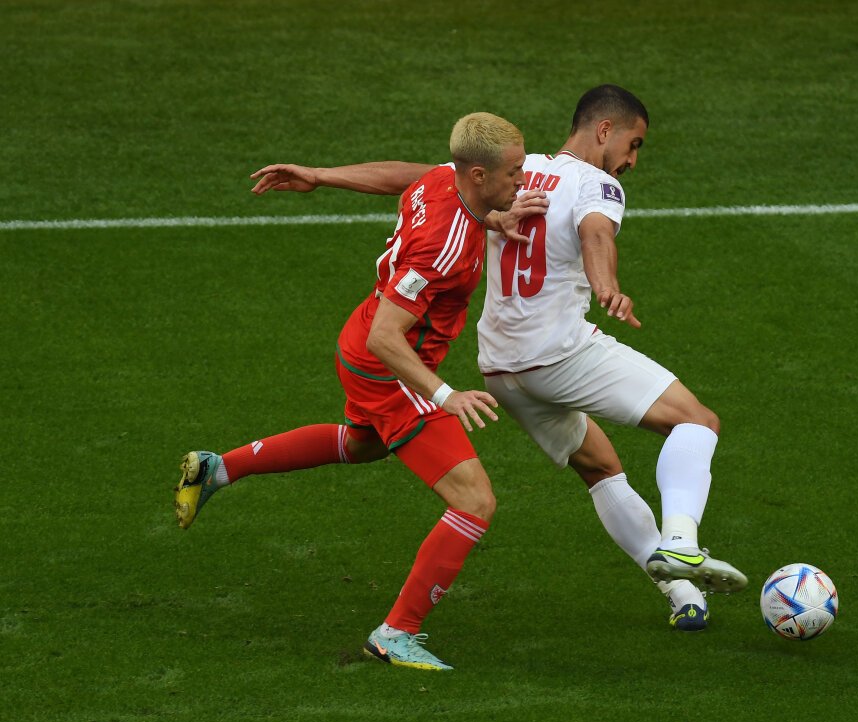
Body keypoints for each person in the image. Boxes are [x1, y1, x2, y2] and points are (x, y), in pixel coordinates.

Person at [249, 85, 747, 634]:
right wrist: (607, 286)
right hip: (559, 355)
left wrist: (321, 175)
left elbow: (413, 175)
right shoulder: (596, 183)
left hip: (501, 371)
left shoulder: (515, 171)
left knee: (600, 467)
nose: (631, 160)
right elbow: (597, 234)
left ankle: (682, 594)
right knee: (697, 422)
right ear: (605, 130)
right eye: (633, 144)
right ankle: (680, 543)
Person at [174, 112, 530, 671]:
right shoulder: (441, 245)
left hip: (359, 343)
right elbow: (389, 337)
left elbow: (404, 176)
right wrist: (446, 396)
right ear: (478, 175)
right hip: (389, 366)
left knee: (365, 444)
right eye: (514, 171)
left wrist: (320, 175)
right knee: (475, 500)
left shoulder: (445, 180)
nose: (523, 179)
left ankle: (218, 469)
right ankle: (395, 634)